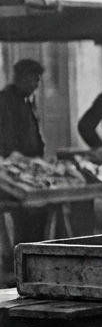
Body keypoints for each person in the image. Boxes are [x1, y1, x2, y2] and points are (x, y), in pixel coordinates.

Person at [0, 60, 48, 243]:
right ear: (21, 77)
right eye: (34, 79)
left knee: (38, 215)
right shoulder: (4, 101)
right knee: (27, 218)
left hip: (29, 171)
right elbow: (7, 143)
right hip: (11, 174)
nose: (36, 84)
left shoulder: (26, 101)